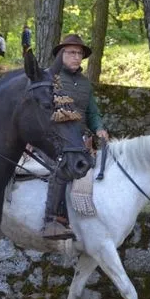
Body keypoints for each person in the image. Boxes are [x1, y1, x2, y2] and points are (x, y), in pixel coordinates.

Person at [41, 33, 109, 240]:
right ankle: (52, 220)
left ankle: (94, 223)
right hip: (51, 138)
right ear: (60, 55)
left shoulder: (85, 83)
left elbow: (92, 112)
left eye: (79, 53)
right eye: (71, 52)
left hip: (78, 140)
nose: (76, 57)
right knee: (62, 167)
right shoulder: (49, 79)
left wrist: (99, 128)